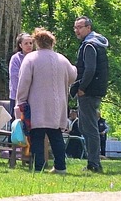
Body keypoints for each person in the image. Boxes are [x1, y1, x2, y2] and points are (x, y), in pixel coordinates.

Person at [15, 28, 77, 174]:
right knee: (56, 136)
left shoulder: (31, 59)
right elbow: (73, 76)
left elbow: (24, 82)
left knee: (37, 135)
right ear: (52, 43)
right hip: (58, 104)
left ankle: (39, 166)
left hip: (38, 103)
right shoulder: (62, 59)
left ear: (37, 43)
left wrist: (21, 101)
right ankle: (60, 167)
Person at [72, 16, 109, 174]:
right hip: (95, 90)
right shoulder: (97, 43)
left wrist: (82, 87)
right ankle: (92, 161)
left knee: (90, 128)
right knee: (84, 126)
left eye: (80, 27)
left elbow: (90, 69)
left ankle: (94, 163)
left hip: (89, 91)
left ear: (88, 28)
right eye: (75, 28)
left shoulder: (89, 45)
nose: (77, 31)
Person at [7, 32, 34, 124]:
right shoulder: (16, 59)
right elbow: (14, 78)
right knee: (17, 124)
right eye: (26, 43)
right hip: (17, 97)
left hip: (32, 97)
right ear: (20, 45)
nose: (29, 45)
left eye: (30, 43)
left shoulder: (35, 58)